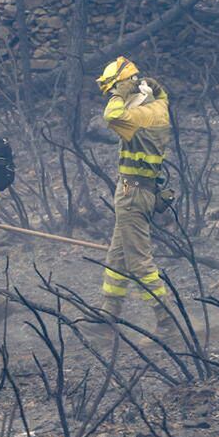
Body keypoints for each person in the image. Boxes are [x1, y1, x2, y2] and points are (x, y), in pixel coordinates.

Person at [88, 56, 181, 341]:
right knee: (117, 255)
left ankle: (167, 322)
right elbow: (162, 94)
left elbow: (111, 116)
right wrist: (148, 85)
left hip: (132, 194)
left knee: (139, 262)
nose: (112, 95)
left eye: (112, 89)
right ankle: (109, 311)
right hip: (143, 191)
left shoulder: (139, 117)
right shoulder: (158, 107)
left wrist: (120, 92)